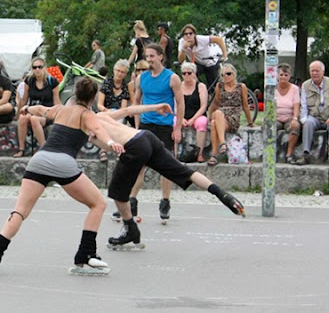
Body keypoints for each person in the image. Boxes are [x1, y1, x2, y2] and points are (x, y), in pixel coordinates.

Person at [0, 78, 121, 276]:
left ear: (74, 93)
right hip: (62, 163)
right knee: (98, 204)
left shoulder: (59, 110)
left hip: (39, 160)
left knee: (20, 211)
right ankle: (85, 255)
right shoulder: (87, 114)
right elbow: (100, 130)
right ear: (93, 98)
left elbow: (40, 109)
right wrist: (112, 143)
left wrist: (26, 110)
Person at [97, 107, 245, 251]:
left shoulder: (88, 122)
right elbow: (128, 111)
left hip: (133, 147)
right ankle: (222, 194)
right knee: (185, 172)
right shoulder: (102, 115)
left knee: (117, 192)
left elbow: (98, 135)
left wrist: (111, 145)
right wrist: (156, 107)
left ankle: (130, 230)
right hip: (146, 137)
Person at [130, 43, 183, 224]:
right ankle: (132, 200)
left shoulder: (172, 78)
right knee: (139, 164)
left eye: (152, 56)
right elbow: (136, 102)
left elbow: (180, 103)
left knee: (166, 165)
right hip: (146, 125)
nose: (149, 60)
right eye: (147, 56)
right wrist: (137, 126)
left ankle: (165, 201)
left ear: (160, 56)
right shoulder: (141, 78)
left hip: (164, 127)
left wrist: (177, 128)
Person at [296, 61, 329, 167]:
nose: (314, 73)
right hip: (314, 117)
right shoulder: (305, 86)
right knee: (308, 123)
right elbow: (303, 105)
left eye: (317, 71)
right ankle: (305, 155)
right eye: (312, 71)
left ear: (323, 72)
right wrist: (304, 120)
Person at [206, 63, 255, 166]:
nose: (226, 77)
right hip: (220, 113)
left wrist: (250, 121)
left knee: (215, 122)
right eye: (223, 75)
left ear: (234, 74)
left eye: (228, 74)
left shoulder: (241, 87)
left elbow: (245, 106)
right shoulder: (219, 86)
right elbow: (216, 103)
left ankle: (214, 154)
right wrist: (210, 116)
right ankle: (222, 145)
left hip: (233, 116)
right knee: (217, 115)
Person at [13, 57, 61, 158]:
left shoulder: (52, 81)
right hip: (32, 109)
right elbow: (24, 99)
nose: (37, 70)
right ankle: (21, 149)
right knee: (23, 118)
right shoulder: (29, 81)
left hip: (46, 112)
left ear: (44, 68)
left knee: (34, 119)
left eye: (40, 67)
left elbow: (57, 102)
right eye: (34, 67)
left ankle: (43, 148)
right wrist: (17, 115)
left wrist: (59, 116)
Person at [95, 59, 131, 162]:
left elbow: (123, 108)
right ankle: (103, 150)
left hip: (118, 113)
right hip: (105, 111)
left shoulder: (125, 87)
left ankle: (119, 150)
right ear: (114, 70)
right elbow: (99, 104)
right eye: (118, 70)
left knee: (119, 122)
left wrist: (117, 113)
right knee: (107, 121)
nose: (119, 74)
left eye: (122, 72)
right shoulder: (106, 83)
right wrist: (107, 111)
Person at [177, 23, 228, 89]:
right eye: (186, 34)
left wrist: (224, 55)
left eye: (190, 33)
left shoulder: (201, 39)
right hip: (197, 63)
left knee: (214, 86)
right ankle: (195, 91)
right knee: (189, 74)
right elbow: (181, 60)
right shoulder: (182, 42)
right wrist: (183, 49)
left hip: (210, 62)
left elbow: (219, 39)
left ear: (194, 34)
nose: (188, 36)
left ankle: (212, 95)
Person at [178, 61, 209, 163]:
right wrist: (181, 118)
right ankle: (174, 153)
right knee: (173, 122)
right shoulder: (178, 86)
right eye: (184, 73)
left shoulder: (201, 86)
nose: (186, 75)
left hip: (197, 114)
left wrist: (193, 119)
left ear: (194, 73)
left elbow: (203, 105)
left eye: (189, 73)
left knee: (202, 122)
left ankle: (199, 153)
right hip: (182, 115)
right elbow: (175, 105)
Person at [276, 64, 301, 164]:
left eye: (286, 75)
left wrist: (295, 118)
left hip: (289, 116)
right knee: (267, 127)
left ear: (289, 76)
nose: (283, 77)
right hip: (276, 117)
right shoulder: (271, 88)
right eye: (281, 74)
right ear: (277, 76)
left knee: (295, 128)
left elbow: (296, 104)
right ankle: (270, 153)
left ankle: (289, 154)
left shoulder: (295, 89)